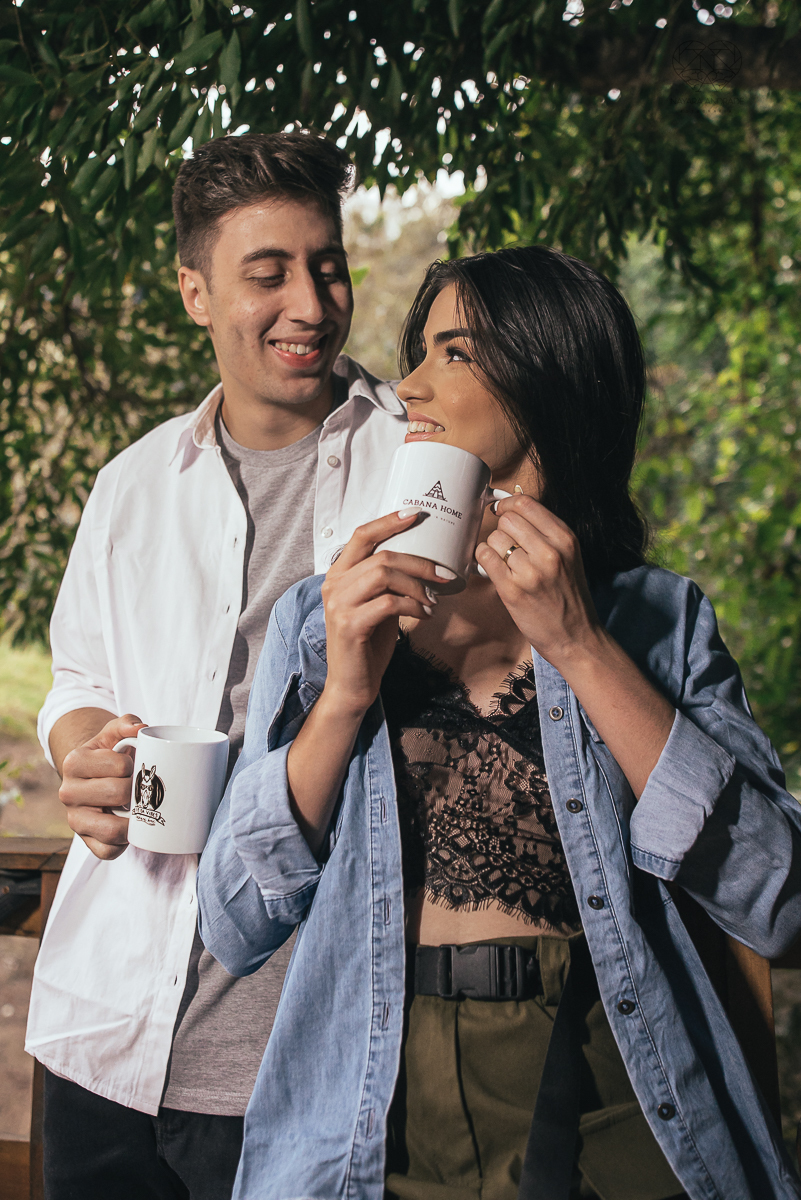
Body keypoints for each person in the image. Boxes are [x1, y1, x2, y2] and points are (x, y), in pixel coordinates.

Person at [197, 245, 801, 1200]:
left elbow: (779, 900)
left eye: (453, 354)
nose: (408, 384)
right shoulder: (327, 621)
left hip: (615, 1090)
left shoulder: (653, 618)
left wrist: (582, 648)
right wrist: (345, 697)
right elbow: (232, 920)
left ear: (545, 377)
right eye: (419, 352)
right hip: (375, 1105)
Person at [25, 131, 406, 1199]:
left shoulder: (413, 460)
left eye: (326, 265)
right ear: (196, 291)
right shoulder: (135, 483)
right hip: (107, 1038)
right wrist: (86, 757)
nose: (311, 303)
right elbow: (77, 681)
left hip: (313, 1060)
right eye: (268, 272)